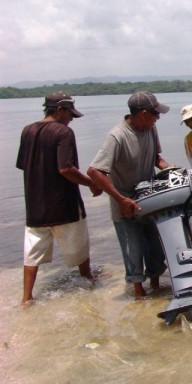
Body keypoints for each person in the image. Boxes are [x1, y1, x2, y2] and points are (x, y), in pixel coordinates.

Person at [16, 91, 102, 305]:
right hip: (64, 204)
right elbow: (66, 168)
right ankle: (88, 281)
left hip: (35, 206)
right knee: (80, 247)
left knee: (32, 253)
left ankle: (26, 298)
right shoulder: (64, 132)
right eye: (70, 113)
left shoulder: (27, 131)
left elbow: (22, 165)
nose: (71, 118)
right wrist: (91, 183)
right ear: (60, 110)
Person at [87, 91, 171, 300]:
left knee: (155, 247)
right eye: (155, 114)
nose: (157, 118)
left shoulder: (151, 129)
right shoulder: (117, 136)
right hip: (124, 202)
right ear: (142, 114)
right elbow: (94, 171)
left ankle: (156, 288)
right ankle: (139, 294)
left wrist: (170, 169)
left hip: (149, 199)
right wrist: (121, 199)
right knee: (133, 250)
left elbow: (156, 158)